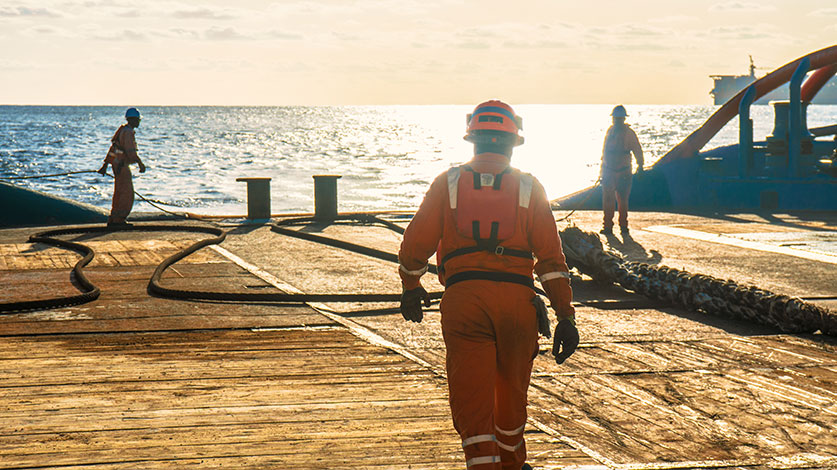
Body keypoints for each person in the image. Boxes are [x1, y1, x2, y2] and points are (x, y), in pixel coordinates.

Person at [398, 100, 578, 470]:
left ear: (473, 140)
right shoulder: (530, 187)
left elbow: (415, 247)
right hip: (519, 306)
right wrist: (566, 316)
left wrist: (411, 287)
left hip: (465, 303)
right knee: (512, 397)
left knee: (472, 401)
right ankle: (512, 463)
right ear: (513, 144)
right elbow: (551, 262)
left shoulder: (448, 182)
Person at [98, 107, 146, 226]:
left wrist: (105, 165)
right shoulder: (128, 133)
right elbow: (131, 152)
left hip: (117, 165)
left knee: (118, 192)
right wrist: (140, 163)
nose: (139, 122)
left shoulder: (122, 131)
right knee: (126, 194)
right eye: (138, 120)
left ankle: (114, 219)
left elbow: (113, 150)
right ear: (133, 120)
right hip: (122, 166)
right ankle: (119, 220)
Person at [600, 105, 643, 235]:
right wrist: (602, 171)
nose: (616, 121)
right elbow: (605, 152)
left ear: (623, 119)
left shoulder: (629, 134)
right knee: (608, 200)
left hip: (623, 172)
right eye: (615, 119)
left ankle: (623, 227)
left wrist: (640, 166)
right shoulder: (610, 132)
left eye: (618, 119)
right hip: (609, 171)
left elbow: (637, 150)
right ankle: (608, 227)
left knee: (622, 200)